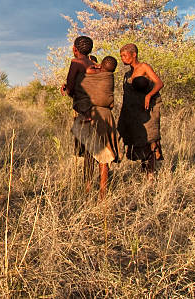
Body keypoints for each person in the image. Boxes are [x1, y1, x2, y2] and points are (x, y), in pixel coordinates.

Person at [61, 36, 118, 199]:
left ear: (74, 48)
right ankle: (103, 193)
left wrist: (68, 89)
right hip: (103, 113)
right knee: (104, 155)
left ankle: (87, 188)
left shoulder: (77, 63)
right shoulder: (97, 66)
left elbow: (71, 88)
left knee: (89, 152)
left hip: (88, 113)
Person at [117, 43, 163, 179]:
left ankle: (150, 174)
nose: (123, 59)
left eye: (125, 55)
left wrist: (149, 95)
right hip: (133, 112)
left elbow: (159, 83)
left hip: (147, 111)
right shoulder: (127, 74)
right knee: (138, 139)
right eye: (121, 56)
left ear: (134, 54)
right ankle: (144, 171)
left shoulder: (144, 67)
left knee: (150, 139)